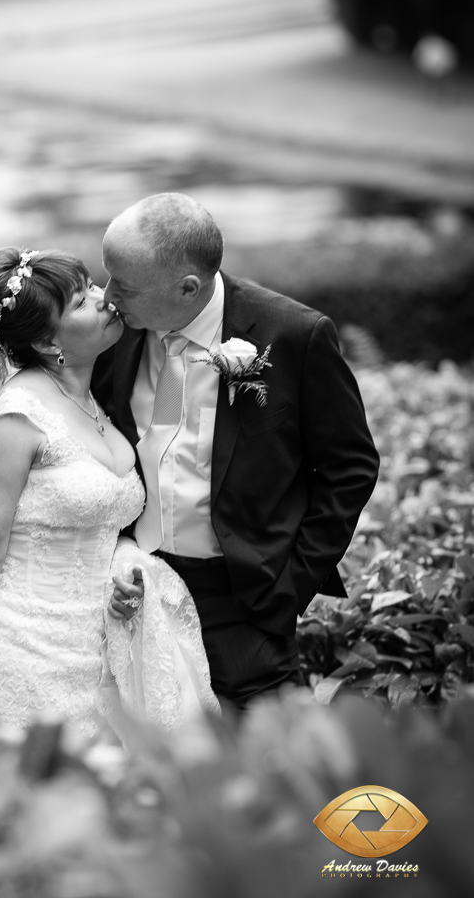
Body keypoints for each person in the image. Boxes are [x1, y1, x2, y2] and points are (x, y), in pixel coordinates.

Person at [0, 247, 218, 734]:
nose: (105, 299)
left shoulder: (89, 397)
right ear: (48, 341)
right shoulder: (17, 418)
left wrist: (123, 573)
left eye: (91, 285)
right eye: (81, 301)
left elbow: (95, 524)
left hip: (98, 642)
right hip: (23, 647)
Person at [94, 192, 380, 706]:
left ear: (187, 288)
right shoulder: (113, 335)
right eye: (107, 276)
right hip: (138, 593)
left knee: (270, 765)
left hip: (244, 602)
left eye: (124, 286)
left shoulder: (293, 335)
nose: (107, 296)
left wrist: (287, 586)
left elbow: (351, 467)